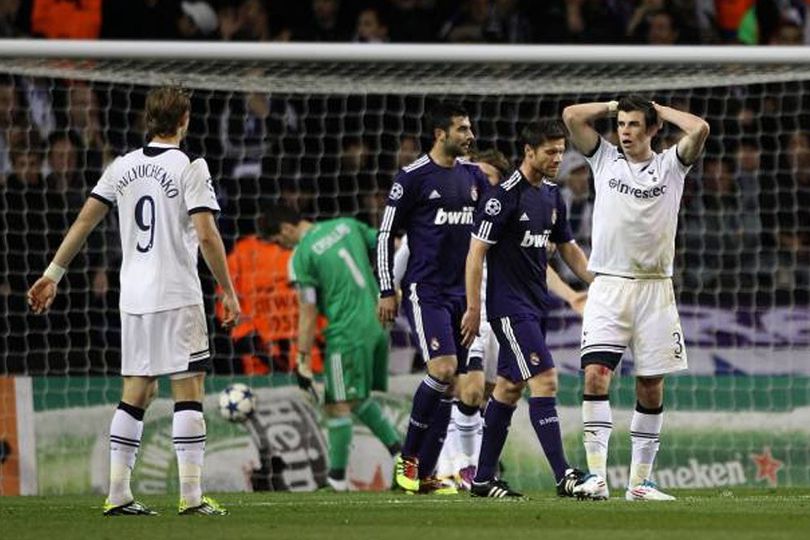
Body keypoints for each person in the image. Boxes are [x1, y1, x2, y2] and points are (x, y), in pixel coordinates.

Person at [27, 85, 240, 515]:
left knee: (136, 391)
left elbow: (85, 221)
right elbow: (206, 233)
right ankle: (192, 497)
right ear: (184, 120)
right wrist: (228, 290)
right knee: (189, 389)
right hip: (177, 293)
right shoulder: (190, 166)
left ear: (148, 120)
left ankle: (118, 492)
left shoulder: (121, 166)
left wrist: (53, 273)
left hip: (134, 297)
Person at [562, 95, 709, 500]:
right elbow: (571, 116)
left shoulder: (671, 165)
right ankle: (596, 477)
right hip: (608, 285)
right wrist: (614, 106)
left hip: (655, 288)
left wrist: (659, 110)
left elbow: (699, 128)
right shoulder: (604, 159)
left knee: (650, 385)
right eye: (621, 124)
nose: (625, 132)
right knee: (595, 375)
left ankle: (640, 483)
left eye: (634, 124)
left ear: (653, 129)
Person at [460, 120, 603, 499]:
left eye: (560, 151)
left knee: (507, 390)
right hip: (508, 309)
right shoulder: (502, 197)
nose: (558, 158)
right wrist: (474, 307)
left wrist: (599, 283)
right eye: (550, 152)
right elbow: (476, 253)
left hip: (534, 307)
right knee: (546, 379)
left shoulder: (551, 196)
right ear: (528, 152)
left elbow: (568, 248)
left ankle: (482, 479)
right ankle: (564, 476)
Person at [376, 101, 490, 494]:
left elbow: (497, 219)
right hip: (429, 293)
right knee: (442, 370)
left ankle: (423, 472)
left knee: (458, 383)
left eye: (469, 128)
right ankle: (407, 459)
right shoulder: (412, 178)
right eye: (462, 129)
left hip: (467, 294)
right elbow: (384, 234)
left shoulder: (474, 176)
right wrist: (386, 287)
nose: (469, 135)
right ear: (440, 134)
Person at [262, 204, 402, 492]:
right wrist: (396, 285)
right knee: (355, 397)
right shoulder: (347, 225)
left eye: (278, 240)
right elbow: (393, 243)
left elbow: (308, 309)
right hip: (377, 322)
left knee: (335, 404)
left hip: (346, 331)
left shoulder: (301, 255)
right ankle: (404, 458)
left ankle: (336, 481)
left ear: (287, 229)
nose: (281, 246)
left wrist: (301, 359)